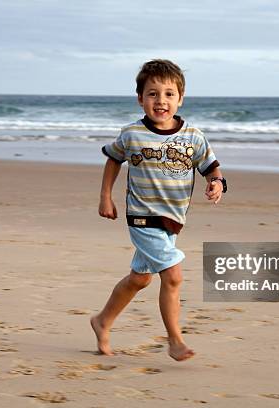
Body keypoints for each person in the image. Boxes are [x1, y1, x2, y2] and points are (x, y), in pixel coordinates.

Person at [91, 59, 227, 361]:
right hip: (142, 217)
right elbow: (113, 159)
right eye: (152, 94)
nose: (160, 101)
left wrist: (217, 184)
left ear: (180, 98)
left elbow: (211, 167)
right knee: (173, 276)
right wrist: (105, 196)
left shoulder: (193, 136)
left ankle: (102, 321)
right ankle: (175, 340)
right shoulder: (131, 134)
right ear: (140, 98)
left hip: (172, 220)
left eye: (168, 94)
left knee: (140, 278)